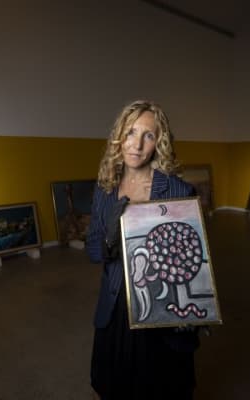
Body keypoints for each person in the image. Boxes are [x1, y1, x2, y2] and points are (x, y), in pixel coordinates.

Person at [86, 100, 200, 400]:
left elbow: (193, 260)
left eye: (148, 135)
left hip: (161, 307)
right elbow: (93, 249)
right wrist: (110, 239)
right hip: (116, 307)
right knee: (113, 386)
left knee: (163, 388)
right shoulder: (106, 187)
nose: (136, 145)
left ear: (159, 142)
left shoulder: (178, 190)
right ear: (119, 136)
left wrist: (194, 307)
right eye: (131, 132)